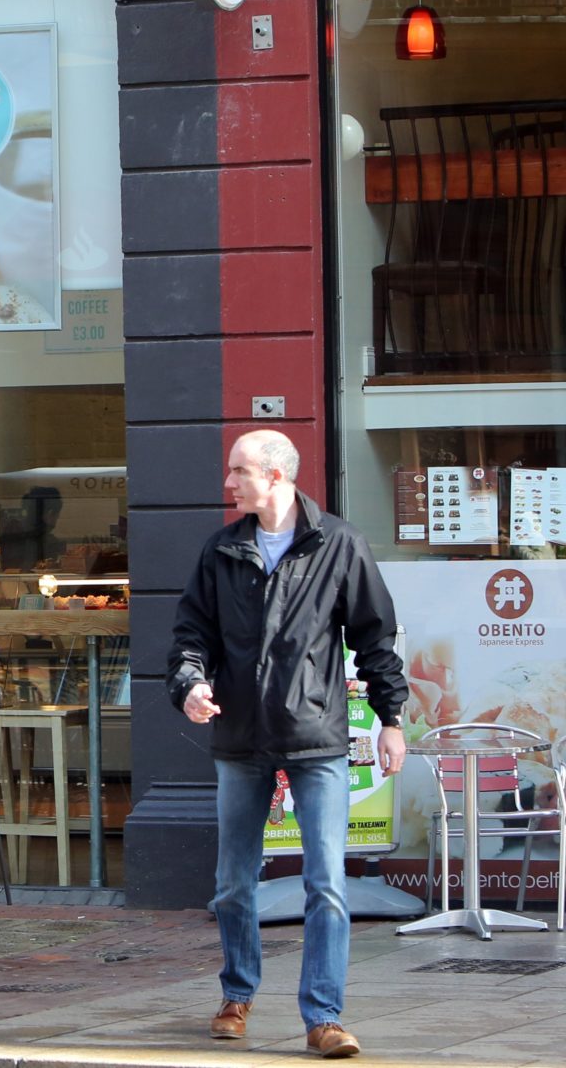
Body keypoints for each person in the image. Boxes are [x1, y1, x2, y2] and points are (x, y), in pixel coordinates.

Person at [168, 429, 406, 1060]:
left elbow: (375, 640)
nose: (229, 483)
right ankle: (236, 993)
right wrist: (190, 684)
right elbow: (192, 636)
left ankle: (324, 1016)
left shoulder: (339, 543)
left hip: (315, 738)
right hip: (240, 739)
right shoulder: (220, 552)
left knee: (326, 881)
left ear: (275, 476)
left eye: (239, 471)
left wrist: (392, 719)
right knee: (232, 883)